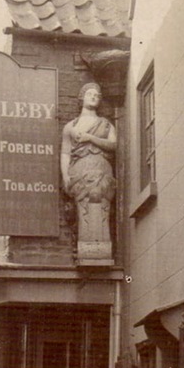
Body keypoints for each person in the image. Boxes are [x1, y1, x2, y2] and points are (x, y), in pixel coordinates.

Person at [61, 83, 116, 259]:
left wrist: (90, 138)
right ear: (82, 98)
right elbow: (65, 152)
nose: (94, 97)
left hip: (101, 169)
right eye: (90, 94)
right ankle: (86, 249)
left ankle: (100, 250)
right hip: (80, 171)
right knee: (83, 206)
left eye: (97, 95)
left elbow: (113, 145)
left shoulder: (106, 124)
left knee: (101, 203)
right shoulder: (71, 126)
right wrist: (65, 176)